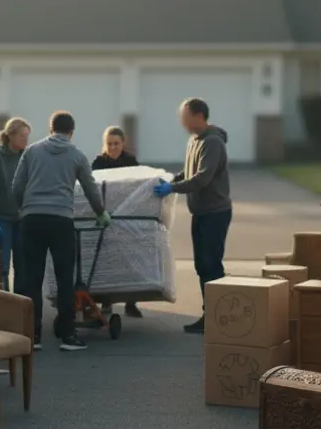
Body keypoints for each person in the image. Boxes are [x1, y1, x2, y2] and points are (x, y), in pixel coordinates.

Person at [12, 110, 111, 352]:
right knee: (65, 279)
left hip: (32, 221)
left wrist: (24, 208)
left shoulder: (32, 151)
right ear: (71, 132)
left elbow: (17, 186)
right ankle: (68, 336)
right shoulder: (76, 155)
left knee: (31, 279)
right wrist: (101, 212)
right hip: (60, 221)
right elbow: (90, 188)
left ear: (50, 129)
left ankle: (33, 335)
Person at [153, 98, 231, 334]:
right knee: (201, 265)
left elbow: (202, 178)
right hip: (200, 212)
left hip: (215, 212)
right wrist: (171, 180)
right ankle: (210, 315)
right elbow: (189, 172)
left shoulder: (213, 142)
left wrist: (172, 189)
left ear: (198, 116)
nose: (181, 121)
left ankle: (218, 317)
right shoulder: (194, 140)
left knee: (211, 265)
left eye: (184, 116)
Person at [91, 126, 143, 319]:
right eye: (109, 144)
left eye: (116, 144)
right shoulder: (98, 163)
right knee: (107, 260)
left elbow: (138, 188)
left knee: (128, 259)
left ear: (123, 144)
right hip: (105, 216)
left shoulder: (131, 162)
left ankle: (131, 302)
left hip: (127, 215)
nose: (113, 147)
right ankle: (107, 303)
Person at [0, 117, 30, 291]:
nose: (26, 140)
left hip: (22, 220)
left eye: (27, 136)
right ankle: (4, 303)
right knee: (2, 267)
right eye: (22, 136)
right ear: (11, 136)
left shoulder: (26, 157)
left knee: (23, 267)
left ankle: (20, 306)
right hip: (2, 220)